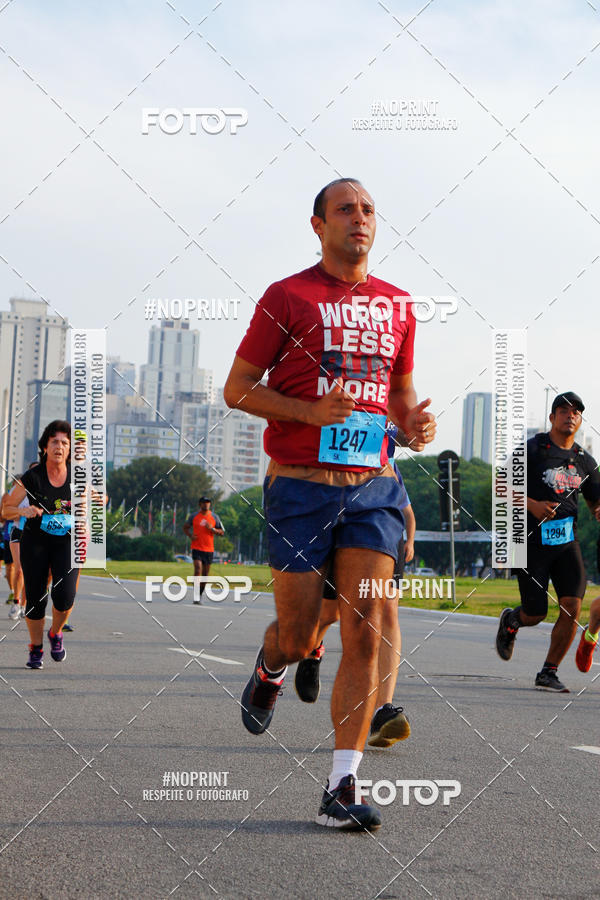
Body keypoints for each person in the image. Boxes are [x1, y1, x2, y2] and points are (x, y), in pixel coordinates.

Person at [224, 177, 436, 830]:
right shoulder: (287, 298)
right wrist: (309, 412)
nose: (360, 218)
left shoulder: (400, 306)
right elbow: (237, 389)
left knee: (365, 627)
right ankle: (270, 667)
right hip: (298, 486)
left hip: (373, 488)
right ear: (318, 226)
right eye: (345, 209)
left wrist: (412, 424)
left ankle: (340, 787)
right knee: (296, 635)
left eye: (369, 208)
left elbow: (398, 395)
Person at [294, 427, 416, 750]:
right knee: (328, 611)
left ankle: (383, 709)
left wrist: (409, 536)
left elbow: (407, 440)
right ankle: (313, 648)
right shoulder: (326, 401)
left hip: (381, 519)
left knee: (386, 607)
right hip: (331, 506)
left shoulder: (382, 411)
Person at [495, 392, 600, 692]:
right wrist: (531, 505)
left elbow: (595, 501)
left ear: (580, 421)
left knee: (572, 605)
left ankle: (548, 671)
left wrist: (597, 509)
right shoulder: (533, 449)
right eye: (564, 410)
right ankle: (513, 621)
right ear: (553, 417)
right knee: (536, 612)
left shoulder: (584, 460)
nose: (570, 416)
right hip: (529, 540)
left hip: (567, 541)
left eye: (576, 412)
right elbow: (500, 485)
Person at [2, 420, 78, 669]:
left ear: (69, 450)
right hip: (36, 540)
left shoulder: (79, 475)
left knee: (65, 595)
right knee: (35, 598)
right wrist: (24, 512)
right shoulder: (32, 477)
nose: (59, 446)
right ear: (45, 447)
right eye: (54, 441)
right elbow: (7, 507)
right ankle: (35, 647)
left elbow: (101, 498)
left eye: (64, 443)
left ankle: (55, 633)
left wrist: (100, 497)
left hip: (67, 540)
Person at [183, 497, 225, 604]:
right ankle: (196, 594)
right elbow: (185, 527)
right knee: (198, 569)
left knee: (205, 574)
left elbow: (222, 532)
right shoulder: (194, 516)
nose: (206, 505)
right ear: (200, 504)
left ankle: (199, 595)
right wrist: (190, 535)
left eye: (208, 503)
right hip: (197, 547)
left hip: (209, 549)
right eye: (204, 503)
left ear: (210, 505)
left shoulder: (215, 517)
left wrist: (212, 529)